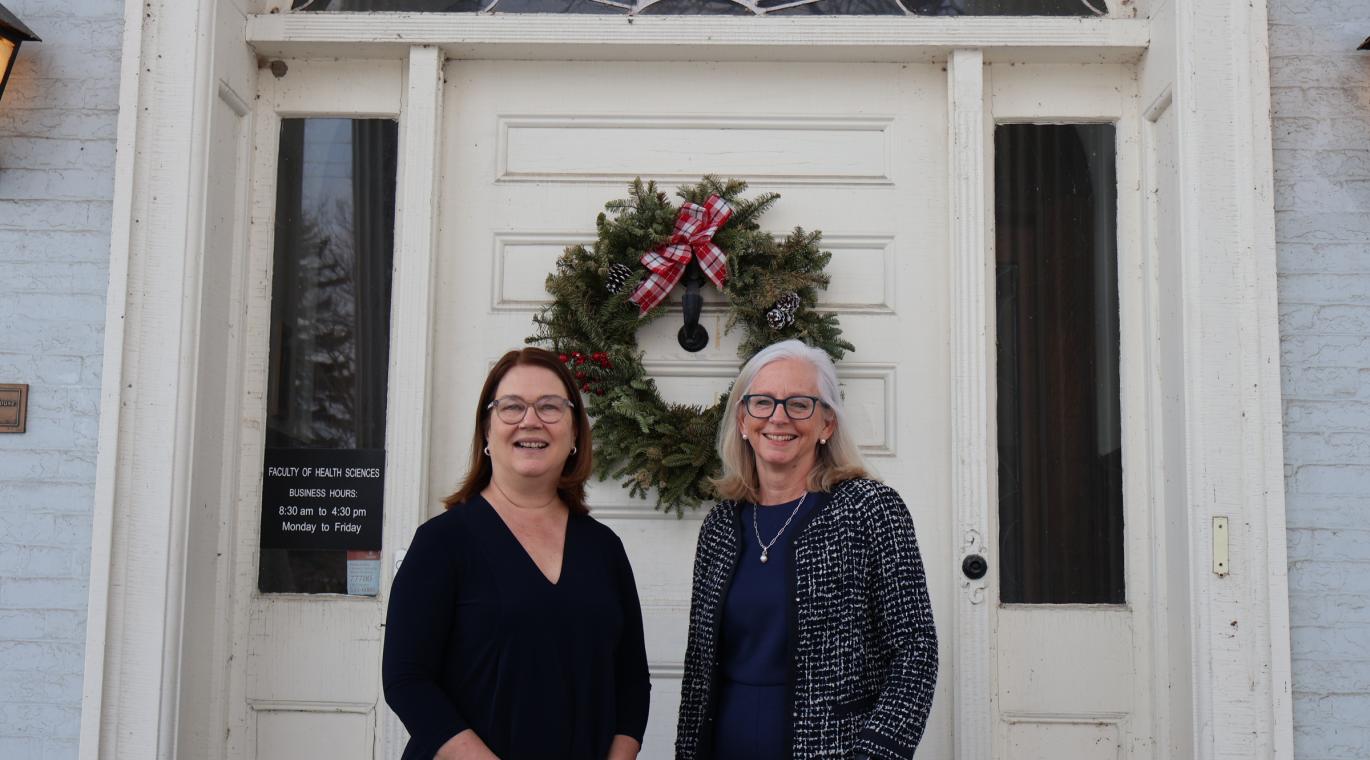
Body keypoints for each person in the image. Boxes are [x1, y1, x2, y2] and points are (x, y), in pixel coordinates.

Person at [675, 339, 938, 760]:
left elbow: (915, 651)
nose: (778, 417)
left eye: (800, 404)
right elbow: (699, 669)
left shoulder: (870, 509)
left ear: (827, 424)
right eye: (762, 403)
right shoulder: (721, 526)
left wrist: (876, 753)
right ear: (743, 420)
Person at [383, 347, 650, 760]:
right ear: (487, 431)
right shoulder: (441, 543)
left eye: (550, 407)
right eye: (511, 407)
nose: (531, 420)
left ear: (575, 433)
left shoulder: (604, 549)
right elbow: (407, 679)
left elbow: (632, 683)